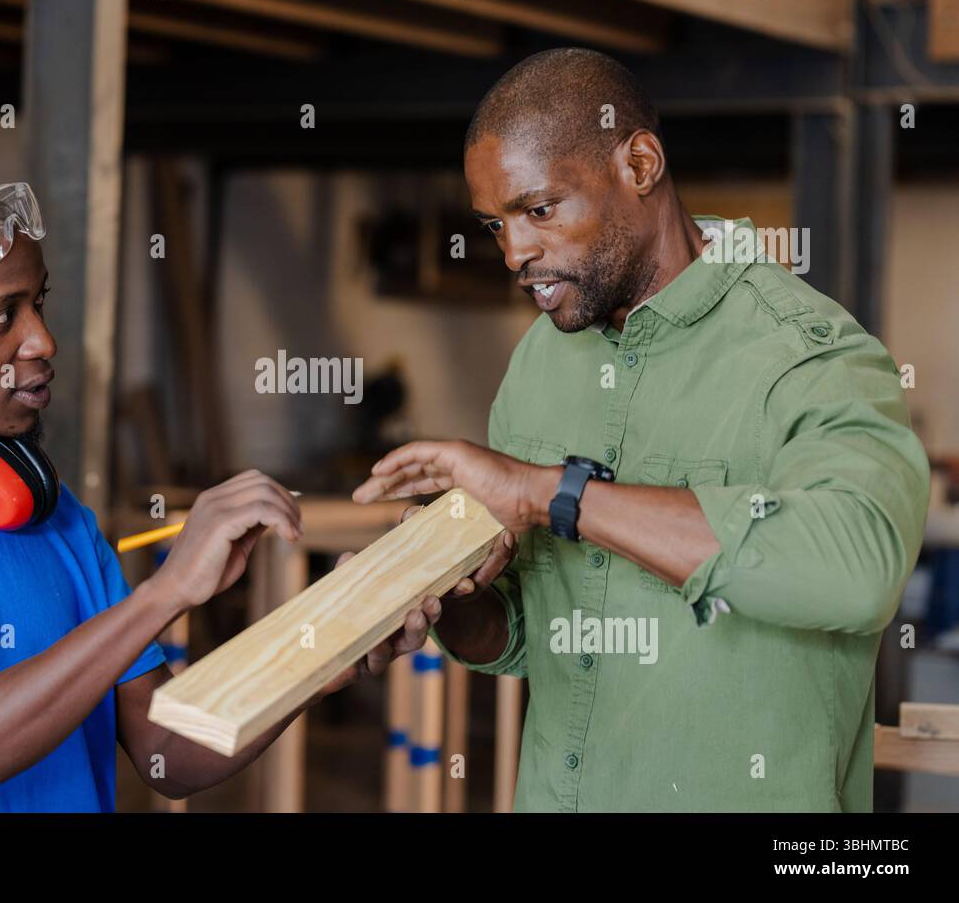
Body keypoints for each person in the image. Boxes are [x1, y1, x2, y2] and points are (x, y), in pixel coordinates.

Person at [0, 174, 516, 812]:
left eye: (39, 301)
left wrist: (323, 644)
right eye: (3, 316)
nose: (43, 340)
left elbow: (167, 752)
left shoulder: (52, 516)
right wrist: (164, 592)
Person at [353, 48, 931, 812]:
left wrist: (548, 493)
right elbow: (527, 633)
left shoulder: (811, 356)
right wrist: (443, 597)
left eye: (539, 209)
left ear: (641, 164)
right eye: (495, 225)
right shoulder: (538, 366)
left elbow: (858, 571)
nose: (515, 253)